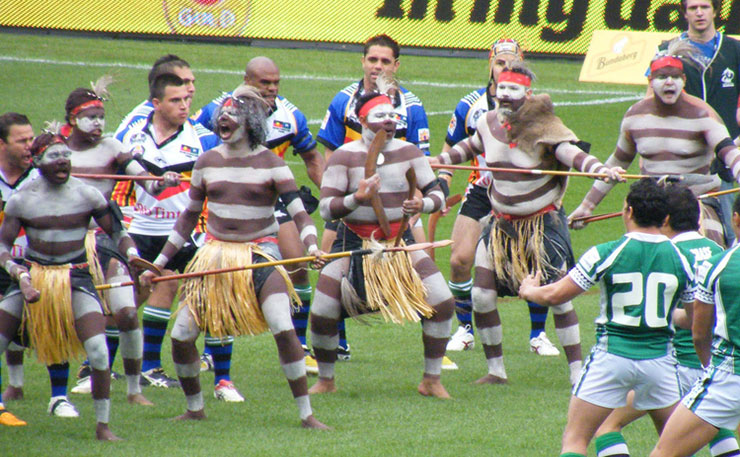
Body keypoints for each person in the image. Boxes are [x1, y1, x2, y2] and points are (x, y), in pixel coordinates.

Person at [139, 87, 328, 428]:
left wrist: (312, 246)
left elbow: (301, 215)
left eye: (233, 114)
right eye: (222, 115)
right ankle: (195, 407)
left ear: (251, 123)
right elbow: (187, 217)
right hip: (214, 255)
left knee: (284, 328)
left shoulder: (273, 163)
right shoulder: (206, 161)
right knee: (181, 336)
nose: (224, 119)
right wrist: (161, 263)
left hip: (260, 255)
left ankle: (306, 414)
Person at [432, 62, 623, 385]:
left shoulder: (544, 126)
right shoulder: (487, 124)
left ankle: (578, 374)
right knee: (481, 295)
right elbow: (464, 151)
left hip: (541, 226)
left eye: (513, 90)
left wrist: (597, 169)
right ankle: (496, 371)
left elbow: (570, 153)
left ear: (527, 93)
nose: (505, 96)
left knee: (559, 298)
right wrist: (431, 160)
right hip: (499, 227)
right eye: (501, 89)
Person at [519, 178, 695, 457]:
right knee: (674, 448)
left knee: (575, 440)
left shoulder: (605, 252)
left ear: (628, 212)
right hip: (660, 363)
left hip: (611, 358)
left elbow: (555, 295)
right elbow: (691, 319)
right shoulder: (683, 260)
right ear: (665, 218)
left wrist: (530, 290)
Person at [0, 131, 150, 440]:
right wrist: (17, 272)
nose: (62, 162)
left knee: (97, 350)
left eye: (65, 155)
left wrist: (133, 254)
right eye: (54, 157)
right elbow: (2, 246)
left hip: (76, 277)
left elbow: (118, 233)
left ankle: (103, 426)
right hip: (34, 275)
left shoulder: (87, 195)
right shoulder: (22, 199)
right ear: (37, 161)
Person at [309, 91, 455, 398]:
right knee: (323, 309)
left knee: (442, 301)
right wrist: (357, 198)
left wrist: (424, 205)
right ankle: (326, 379)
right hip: (353, 242)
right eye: (380, 116)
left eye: (393, 116)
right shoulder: (344, 156)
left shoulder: (410, 152)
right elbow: (325, 208)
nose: (389, 121)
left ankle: (431, 379)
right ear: (362, 120)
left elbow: (437, 191)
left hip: (399, 242)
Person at [193, 56, 325, 373]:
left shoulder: (290, 115)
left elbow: (311, 157)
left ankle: (301, 345)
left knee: (297, 265)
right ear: (247, 80)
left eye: (276, 82)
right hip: (228, 201)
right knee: (220, 277)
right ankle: (213, 351)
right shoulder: (218, 111)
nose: (273, 89)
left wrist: (333, 197)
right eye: (265, 83)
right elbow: (196, 150)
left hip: (270, 197)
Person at [592, 184, 740, 457]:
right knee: (717, 430)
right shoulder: (715, 250)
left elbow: (687, 320)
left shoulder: (667, 254)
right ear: (698, 218)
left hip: (679, 367)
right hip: (714, 363)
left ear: (665, 218)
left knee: (606, 424)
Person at [62, 79, 184, 404]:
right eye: (91, 116)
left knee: (127, 313)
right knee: (50, 318)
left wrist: (161, 182)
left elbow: (145, 182)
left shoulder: (112, 147)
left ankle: (133, 389)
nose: (99, 123)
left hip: (103, 241)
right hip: (60, 243)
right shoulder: (54, 151)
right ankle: (42, 388)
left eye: (101, 115)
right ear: (72, 119)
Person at [316, 33, 433, 363]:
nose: (377, 66)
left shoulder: (411, 105)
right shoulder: (343, 100)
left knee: (424, 270)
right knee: (330, 270)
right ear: (363, 61)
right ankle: (337, 341)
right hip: (351, 208)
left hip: (400, 209)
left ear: (396, 66)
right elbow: (329, 153)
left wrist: (413, 207)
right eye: (372, 60)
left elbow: (420, 164)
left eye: (384, 61)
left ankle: (434, 337)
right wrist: (341, 196)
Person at [439, 38, 558, 357]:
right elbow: (451, 150)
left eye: (512, 63)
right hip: (482, 188)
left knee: (534, 259)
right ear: (490, 66)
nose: (505, 69)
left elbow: (552, 154)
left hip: (522, 193)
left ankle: (538, 335)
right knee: (459, 259)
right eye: (500, 63)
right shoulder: (470, 105)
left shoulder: (537, 108)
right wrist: (440, 182)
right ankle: (464, 328)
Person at [570, 41, 740, 248]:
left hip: (695, 204)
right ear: (651, 81)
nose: (669, 82)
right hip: (651, 206)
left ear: (684, 80)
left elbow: (728, 151)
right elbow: (618, 162)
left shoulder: (703, 114)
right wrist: (587, 206)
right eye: (662, 77)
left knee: (706, 257)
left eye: (675, 77)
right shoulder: (635, 116)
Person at [118, 73, 225, 393]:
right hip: (142, 227)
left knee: (210, 297)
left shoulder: (203, 137)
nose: (186, 101)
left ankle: (223, 379)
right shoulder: (133, 133)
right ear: (156, 102)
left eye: (188, 96)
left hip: (188, 230)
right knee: (127, 300)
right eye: (177, 98)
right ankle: (97, 369)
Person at [0, 112, 80, 418]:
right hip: (4, 262)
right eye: (22, 141)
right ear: (1, 145)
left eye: (31, 139)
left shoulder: (41, 176)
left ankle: (58, 397)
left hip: (39, 266)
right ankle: (9, 392)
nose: (29, 146)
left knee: (53, 322)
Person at [649, 194, 740, 457]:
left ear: (735, 219)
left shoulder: (718, 265)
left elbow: (699, 333)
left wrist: (707, 367)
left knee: (664, 452)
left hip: (728, 376)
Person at [659, 0, 740, 246]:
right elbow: (653, 101)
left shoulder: (734, 50)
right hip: (685, 160)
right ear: (684, 13)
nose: (699, 12)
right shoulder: (668, 51)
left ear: (715, 11)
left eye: (704, 7)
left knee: (728, 231)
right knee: (679, 234)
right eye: (693, 8)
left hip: (727, 154)